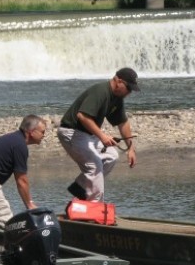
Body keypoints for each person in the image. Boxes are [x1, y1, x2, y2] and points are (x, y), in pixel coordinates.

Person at [57, 68, 139, 202]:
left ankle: (80, 187)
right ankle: (96, 206)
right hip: (72, 132)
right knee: (94, 166)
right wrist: (102, 136)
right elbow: (82, 116)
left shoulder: (117, 98)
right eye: (128, 88)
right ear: (118, 81)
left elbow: (123, 123)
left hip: (88, 134)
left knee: (111, 156)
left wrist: (131, 148)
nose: (129, 93)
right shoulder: (100, 91)